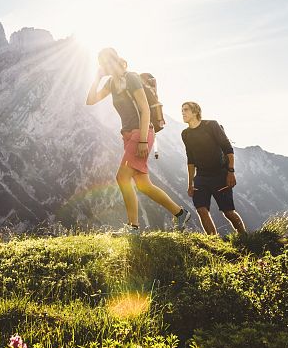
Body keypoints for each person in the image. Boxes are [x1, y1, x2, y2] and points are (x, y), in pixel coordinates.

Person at [86, 47, 191, 234]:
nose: (103, 66)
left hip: (141, 134)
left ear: (114, 60)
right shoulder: (111, 83)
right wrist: (97, 78)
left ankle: (133, 227)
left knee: (122, 177)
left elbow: (145, 110)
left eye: (105, 62)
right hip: (128, 136)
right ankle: (180, 213)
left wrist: (142, 140)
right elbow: (91, 100)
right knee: (144, 185)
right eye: (101, 64)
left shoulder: (131, 78)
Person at [181, 101, 247, 236]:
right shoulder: (185, 134)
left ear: (195, 112)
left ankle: (244, 237)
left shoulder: (211, 125)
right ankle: (214, 241)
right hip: (201, 177)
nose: (182, 112)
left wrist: (231, 172)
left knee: (228, 212)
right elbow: (191, 159)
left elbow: (228, 148)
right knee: (201, 209)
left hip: (220, 175)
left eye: (186, 110)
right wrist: (190, 183)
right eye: (182, 110)